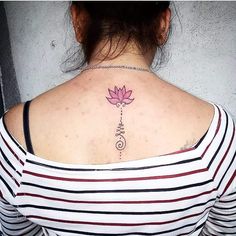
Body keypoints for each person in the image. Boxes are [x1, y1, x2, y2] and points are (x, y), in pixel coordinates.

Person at [0, 1, 235, 235]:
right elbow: (223, 231)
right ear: (163, 24)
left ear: (78, 21)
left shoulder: (15, 133)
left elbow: (17, 232)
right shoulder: (215, 133)